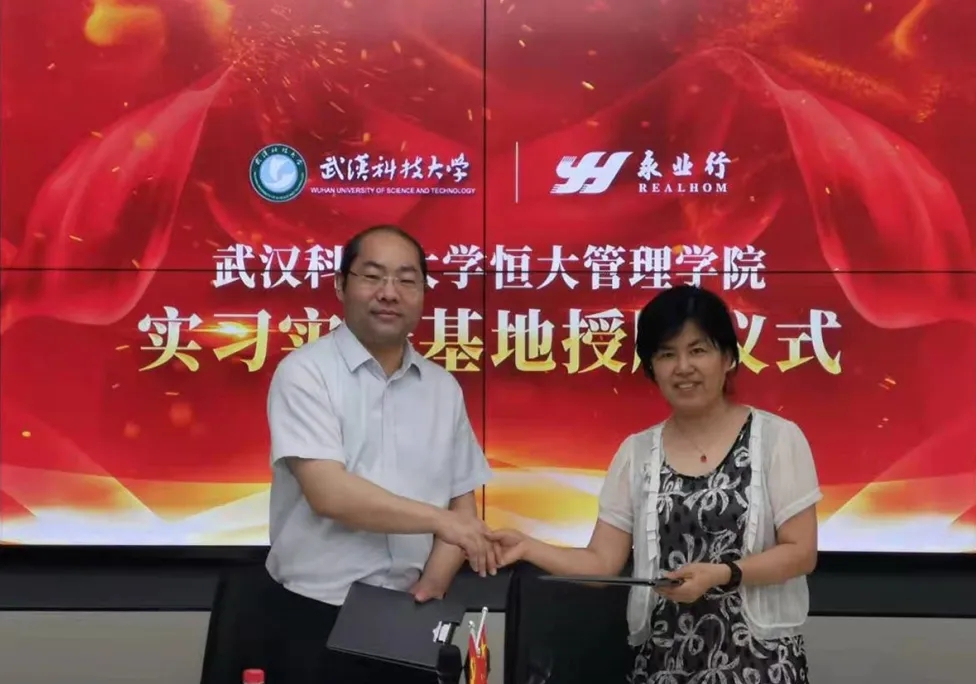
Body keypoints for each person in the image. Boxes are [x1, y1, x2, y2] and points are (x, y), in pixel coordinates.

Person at [490, 285, 822, 684]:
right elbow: (602, 562)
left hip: (760, 663)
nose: (683, 367)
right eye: (666, 354)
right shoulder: (637, 453)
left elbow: (801, 552)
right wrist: (528, 546)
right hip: (663, 661)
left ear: (728, 358)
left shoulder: (777, 439)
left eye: (698, 350)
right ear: (651, 368)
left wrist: (722, 574)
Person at [263, 224, 494, 684]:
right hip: (316, 614)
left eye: (407, 280)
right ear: (340, 285)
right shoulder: (305, 373)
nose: (389, 293)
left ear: (423, 293)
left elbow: (461, 504)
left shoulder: (442, 389)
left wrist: (431, 587)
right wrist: (442, 522)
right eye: (372, 276)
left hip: (412, 613)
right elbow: (330, 494)